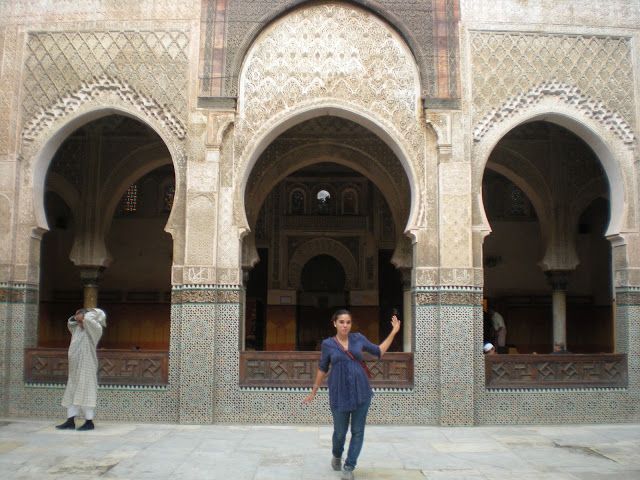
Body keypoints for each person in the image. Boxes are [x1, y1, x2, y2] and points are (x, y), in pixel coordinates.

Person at [303, 309, 401, 480]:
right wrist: (314, 391)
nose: (345, 325)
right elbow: (322, 368)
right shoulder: (328, 344)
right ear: (334, 323)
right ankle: (337, 455)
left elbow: (378, 352)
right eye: (341, 322)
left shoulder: (358, 338)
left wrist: (393, 332)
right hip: (339, 393)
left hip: (361, 392)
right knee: (340, 432)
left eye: (348, 322)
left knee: (357, 431)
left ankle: (349, 466)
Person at [55, 307, 107, 431]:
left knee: (86, 391)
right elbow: (70, 322)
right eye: (78, 320)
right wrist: (77, 317)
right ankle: (70, 420)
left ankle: (89, 422)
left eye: (81, 320)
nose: (79, 323)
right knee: (72, 391)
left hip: (87, 366)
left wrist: (88, 313)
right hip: (74, 367)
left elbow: (92, 318)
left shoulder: (95, 329)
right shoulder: (76, 329)